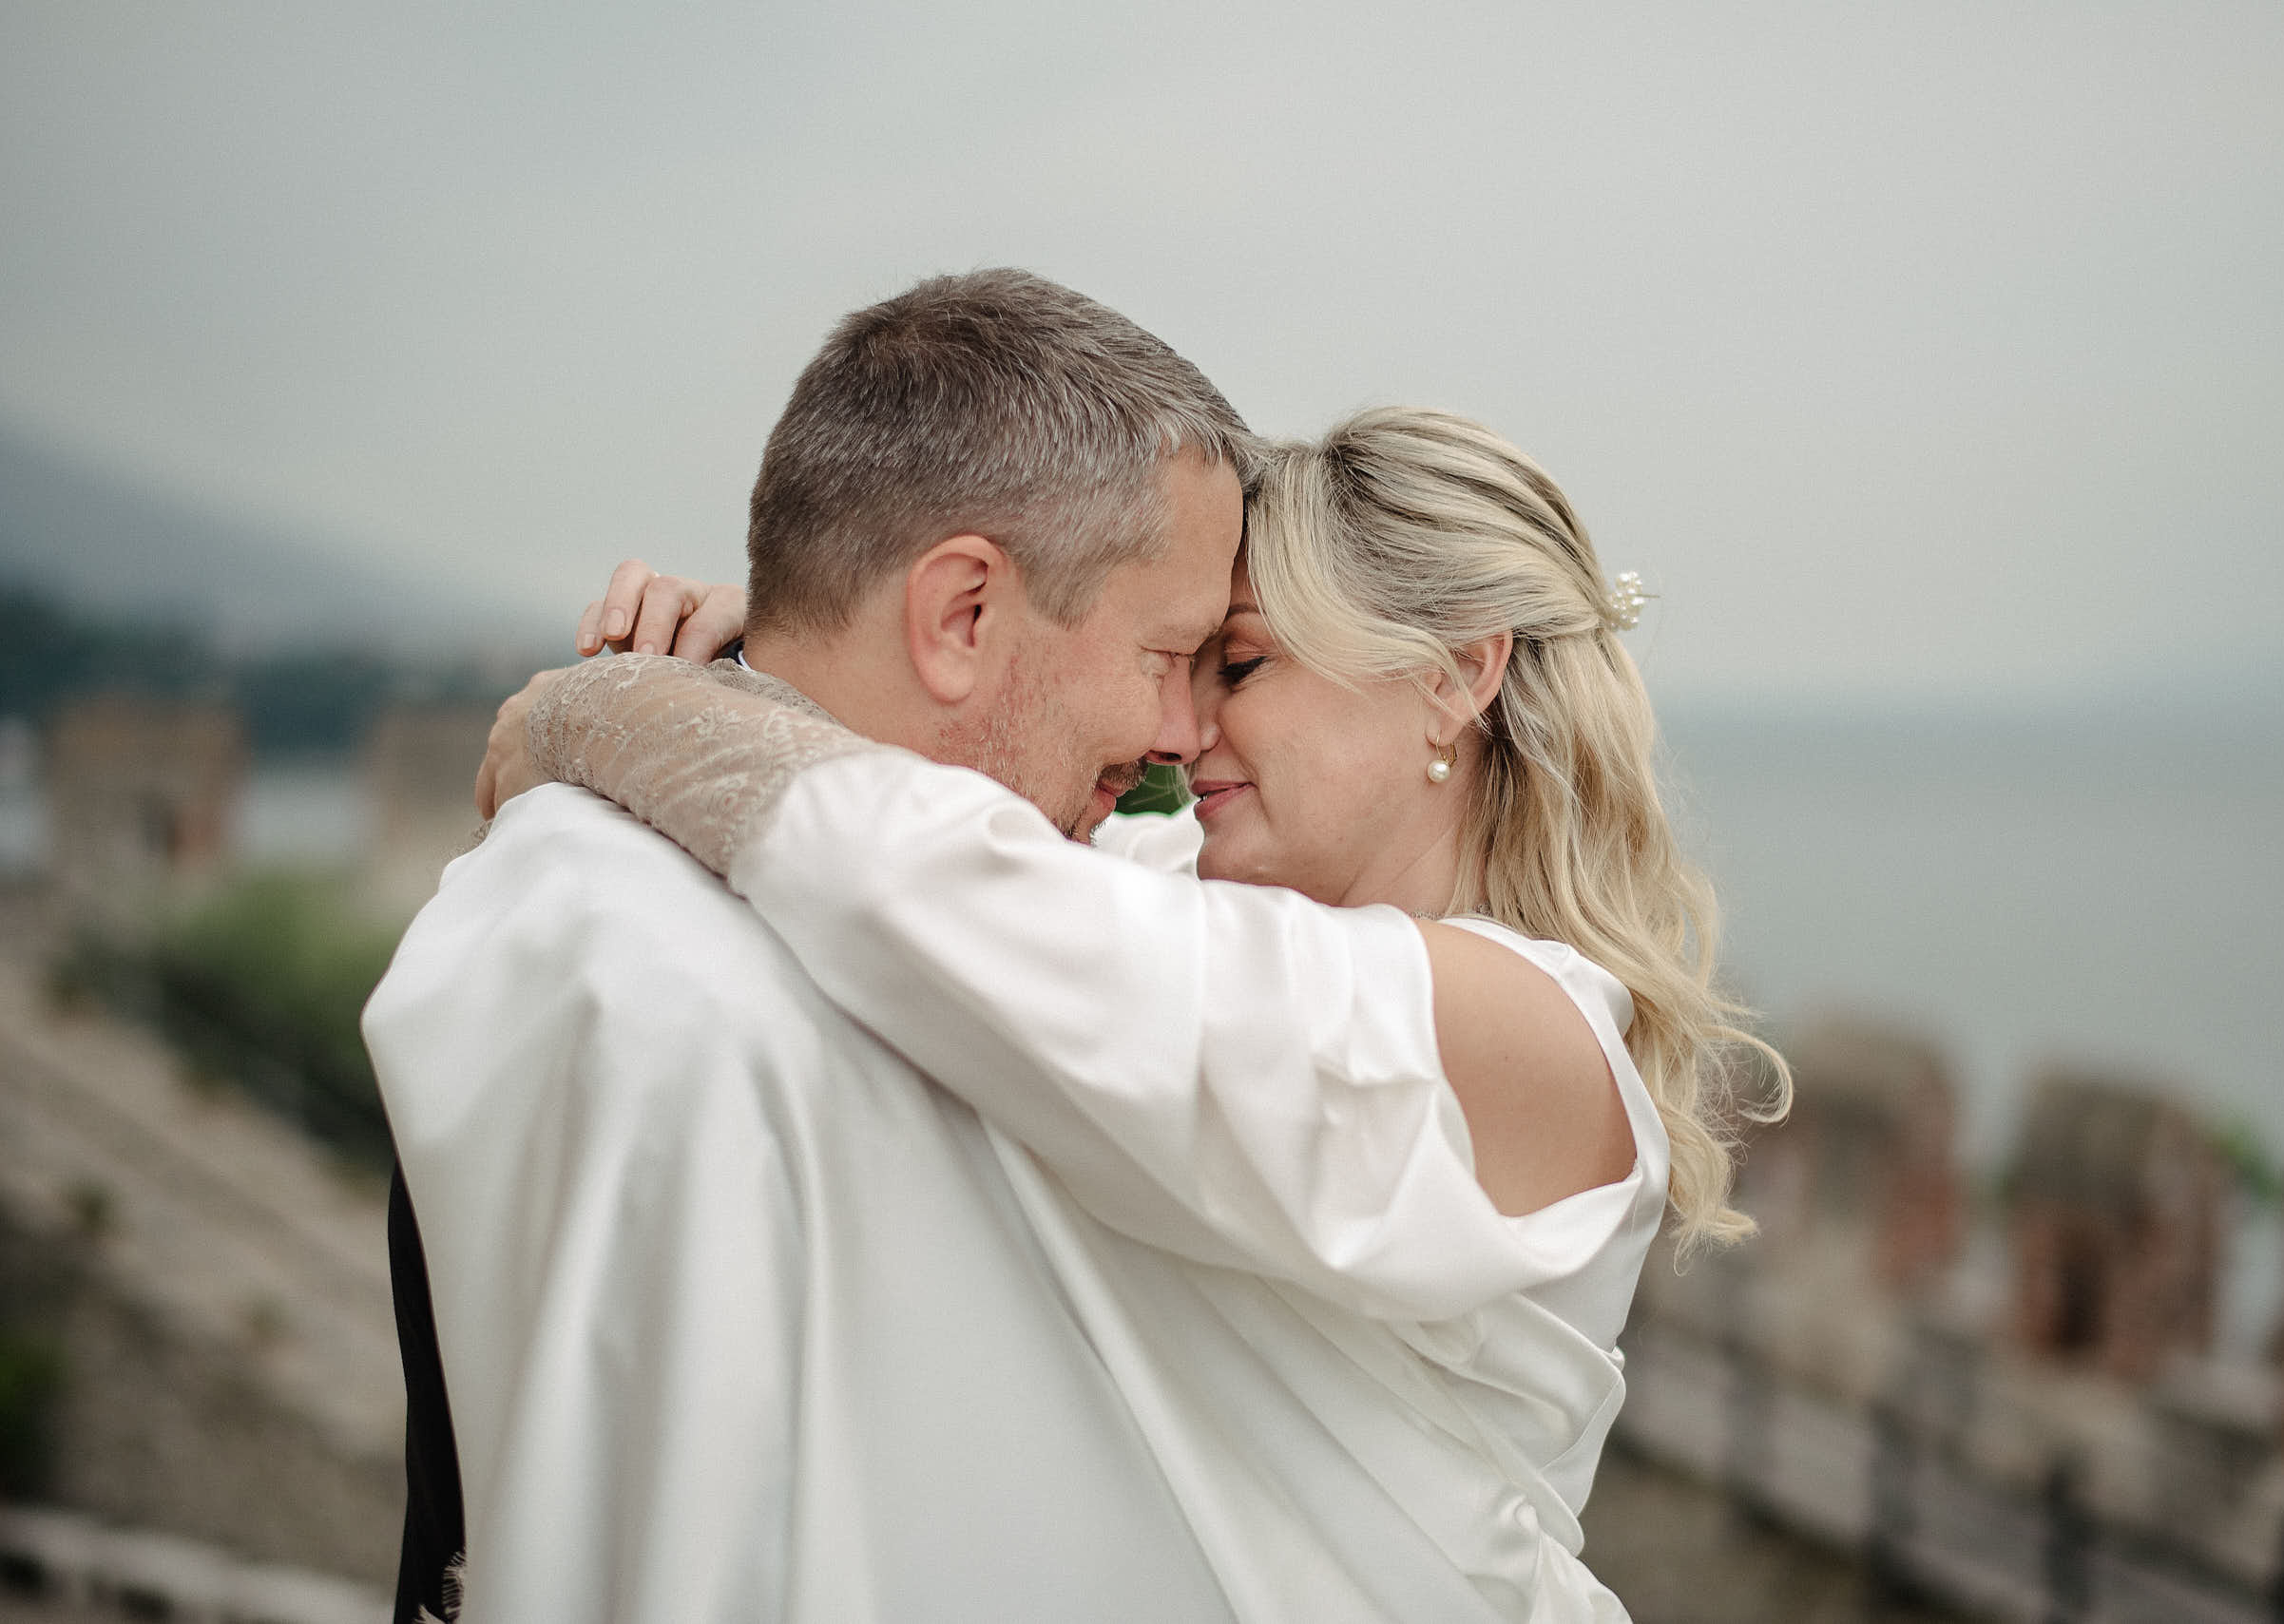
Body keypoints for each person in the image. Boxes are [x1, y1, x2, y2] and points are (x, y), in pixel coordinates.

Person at [479, 406, 1786, 1621]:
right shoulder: (1185, 896)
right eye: (1181, 662)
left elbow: (914, 878)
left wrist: (595, 711)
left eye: (1241, 662)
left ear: (1453, 674)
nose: (1182, 728)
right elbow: (948, 827)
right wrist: (806, 656)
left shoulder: (1523, 1034)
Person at [367, 267, 1257, 1623]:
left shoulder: (637, 881)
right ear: (962, 614)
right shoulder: (672, 1001)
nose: (1192, 736)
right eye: (1172, 654)